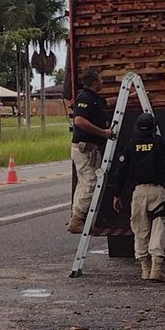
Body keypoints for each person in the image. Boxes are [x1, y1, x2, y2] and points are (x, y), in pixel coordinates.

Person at [112, 112, 165, 282]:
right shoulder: (160, 143)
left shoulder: (131, 144)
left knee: (140, 229)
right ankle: (156, 268)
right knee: (159, 226)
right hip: (158, 191)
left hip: (139, 192)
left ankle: (144, 269)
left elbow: (121, 171)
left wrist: (117, 194)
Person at [67, 69, 116, 233]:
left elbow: (106, 103)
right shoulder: (84, 98)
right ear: (95, 82)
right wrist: (103, 133)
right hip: (85, 149)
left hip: (88, 149)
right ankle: (77, 219)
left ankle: (75, 216)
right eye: (100, 79)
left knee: (83, 183)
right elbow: (79, 120)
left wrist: (128, 96)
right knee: (91, 182)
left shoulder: (94, 98)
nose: (103, 82)